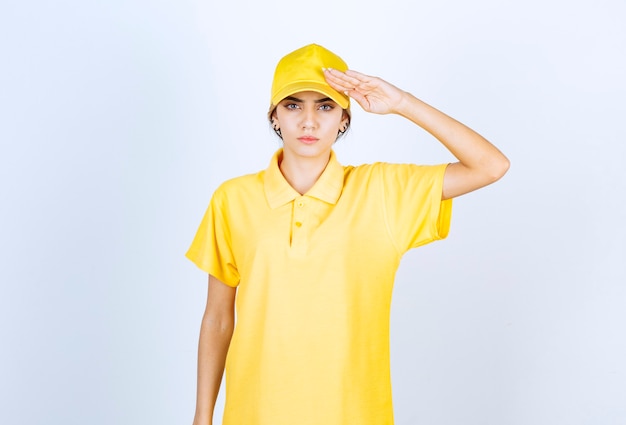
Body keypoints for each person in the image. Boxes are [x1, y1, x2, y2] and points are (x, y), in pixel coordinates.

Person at [186, 44, 509, 425]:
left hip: (354, 413)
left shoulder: (382, 191)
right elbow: (218, 319)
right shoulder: (233, 199)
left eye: (324, 106)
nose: (309, 121)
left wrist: (403, 102)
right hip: (255, 412)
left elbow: (491, 166)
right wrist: (202, 417)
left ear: (344, 118)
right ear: (274, 116)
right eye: (293, 105)